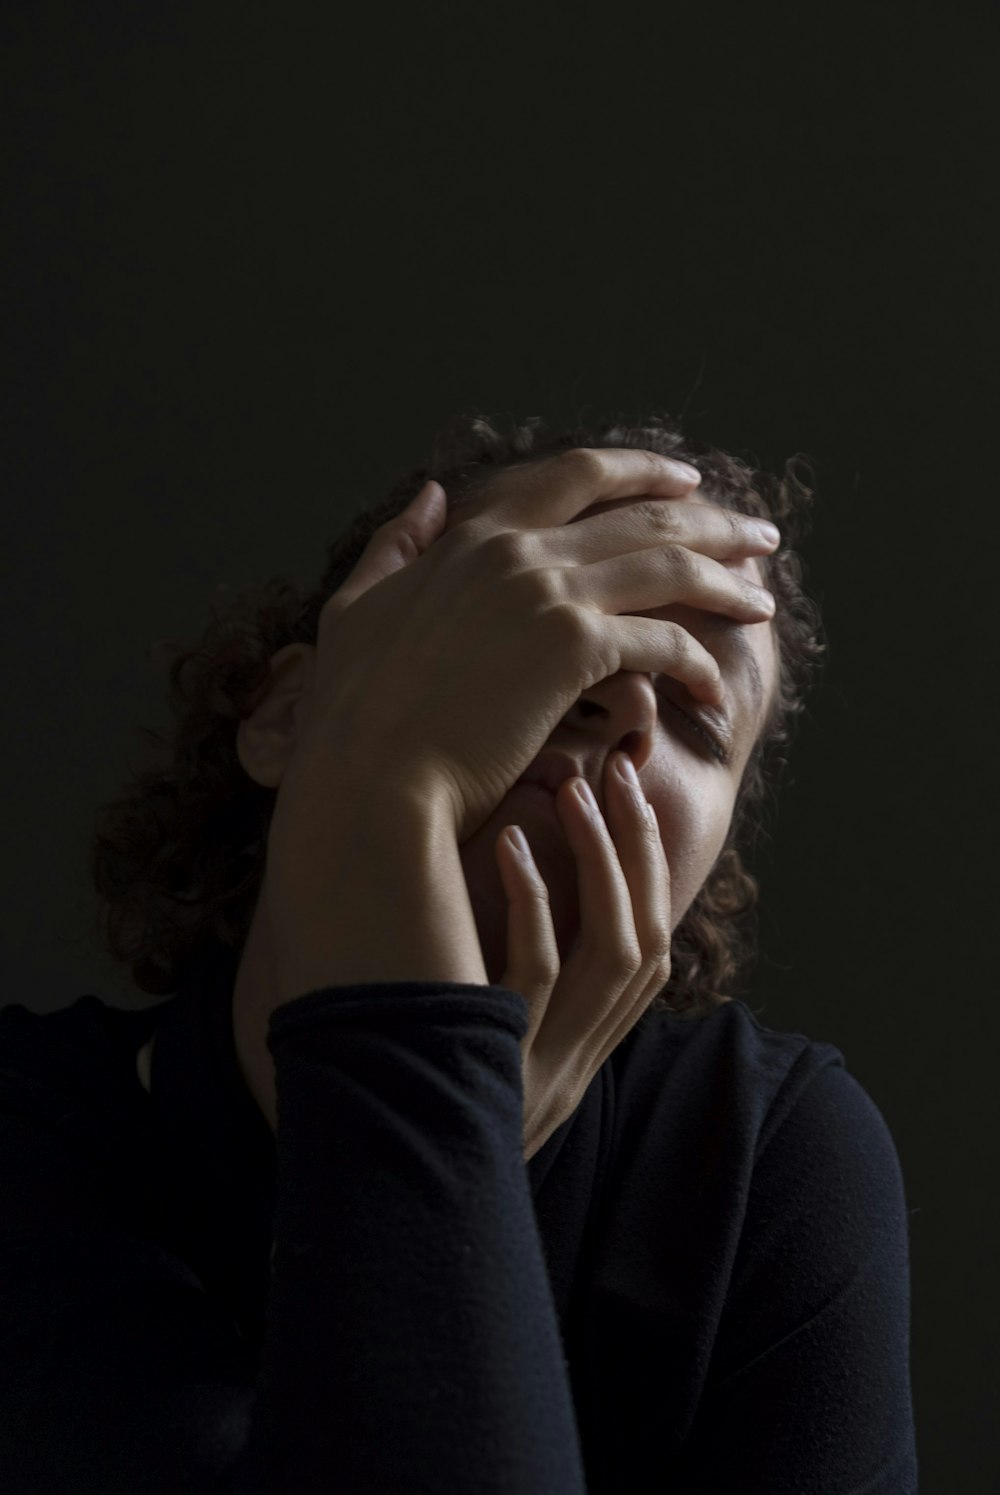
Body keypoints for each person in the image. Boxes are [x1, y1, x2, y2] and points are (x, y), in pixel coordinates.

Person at [0, 413, 918, 1493]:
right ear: (288, 716)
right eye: (534, 613)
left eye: (695, 714)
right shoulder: (28, 1136)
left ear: (701, 876)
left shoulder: (771, 1164)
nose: (617, 680)